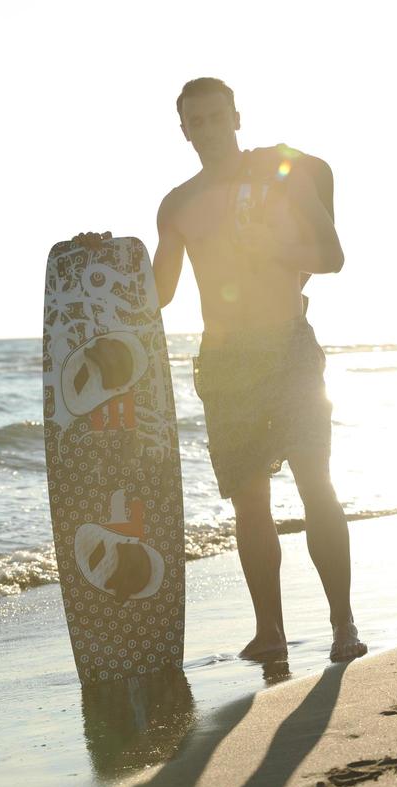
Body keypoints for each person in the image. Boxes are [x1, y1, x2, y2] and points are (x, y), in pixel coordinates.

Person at [74, 76, 367, 662]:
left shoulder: (281, 182)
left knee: (317, 486)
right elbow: (158, 294)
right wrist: (105, 260)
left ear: (237, 118)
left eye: (216, 117)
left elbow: (331, 257)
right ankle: (270, 632)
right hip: (225, 362)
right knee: (249, 501)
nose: (207, 129)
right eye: (195, 122)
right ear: (183, 130)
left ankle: (343, 626)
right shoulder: (177, 205)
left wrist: (272, 250)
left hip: (288, 348)